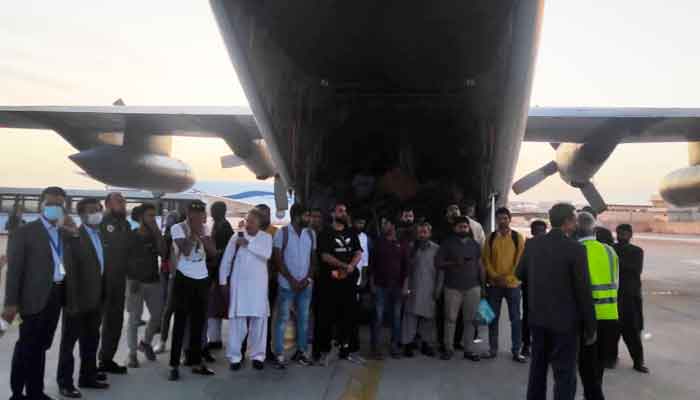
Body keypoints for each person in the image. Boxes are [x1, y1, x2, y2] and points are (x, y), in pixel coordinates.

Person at [517, 203, 596, 400]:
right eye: (575, 218)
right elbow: (583, 290)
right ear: (568, 222)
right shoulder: (576, 249)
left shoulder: (533, 244)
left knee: (537, 369)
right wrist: (591, 326)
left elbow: (519, 273)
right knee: (564, 373)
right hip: (566, 324)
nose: (577, 222)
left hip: (538, 319)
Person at [3, 186, 74, 400]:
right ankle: (17, 393)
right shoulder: (24, 232)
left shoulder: (64, 233)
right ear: (41, 205)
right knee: (26, 346)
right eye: (50, 203)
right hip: (31, 298)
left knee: (42, 346)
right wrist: (10, 303)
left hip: (56, 295)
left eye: (59, 204)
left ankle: (35, 391)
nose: (55, 208)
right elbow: (14, 271)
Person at [57, 198, 110, 398]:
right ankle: (65, 382)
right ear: (81, 215)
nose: (96, 213)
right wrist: (72, 302)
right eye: (91, 211)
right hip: (77, 301)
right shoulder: (73, 237)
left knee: (91, 340)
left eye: (98, 210)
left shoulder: (101, 234)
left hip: (96, 300)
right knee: (69, 344)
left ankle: (87, 376)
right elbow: (70, 271)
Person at [168, 200, 216, 381]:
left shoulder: (206, 228)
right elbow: (186, 250)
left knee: (198, 323)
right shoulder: (178, 228)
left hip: (202, 279)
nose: (199, 217)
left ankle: (196, 362)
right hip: (183, 278)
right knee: (180, 322)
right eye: (195, 213)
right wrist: (195, 232)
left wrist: (204, 236)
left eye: (201, 213)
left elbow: (212, 252)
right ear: (188, 213)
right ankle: (174, 365)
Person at [219, 208, 273, 371]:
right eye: (247, 220)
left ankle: (258, 356)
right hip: (239, 286)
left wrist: (248, 245)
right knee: (237, 324)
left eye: (252, 221)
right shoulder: (237, 236)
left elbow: (266, 254)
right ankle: (235, 357)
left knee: (259, 322)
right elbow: (227, 259)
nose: (248, 224)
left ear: (260, 223)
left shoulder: (266, 237)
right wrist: (223, 281)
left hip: (258, 287)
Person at [576, 211, 620, 400]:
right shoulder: (610, 251)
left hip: (587, 317)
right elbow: (616, 283)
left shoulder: (576, 251)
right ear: (594, 229)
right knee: (599, 364)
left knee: (586, 366)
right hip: (610, 315)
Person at [314, 202, 362, 365]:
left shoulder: (351, 232)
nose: (343, 213)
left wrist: (351, 266)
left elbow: (358, 251)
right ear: (333, 214)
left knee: (349, 317)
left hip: (348, 283)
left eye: (345, 211)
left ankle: (347, 350)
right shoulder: (325, 233)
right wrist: (343, 266)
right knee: (327, 318)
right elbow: (325, 256)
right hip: (330, 284)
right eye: (340, 211)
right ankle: (325, 351)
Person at [271, 203, 316, 368]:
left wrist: (307, 279)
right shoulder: (282, 233)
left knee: (303, 320)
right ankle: (279, 354)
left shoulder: (311, 234)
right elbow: (278, 259)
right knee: (282, 319)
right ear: (297, 216)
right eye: (307, 215)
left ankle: (302, 352)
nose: (309, 219)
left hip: (305, 286)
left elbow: (313, 259)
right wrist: (291, 280)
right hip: (286, 285)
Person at [435, 216, 485, 361]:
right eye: (460, 226)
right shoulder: (447, 244)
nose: (463, 229)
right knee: (450, 319)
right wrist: (453, 263)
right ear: (454, 228)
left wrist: (483, 286)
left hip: (473, 287)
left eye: (465, 226)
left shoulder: (475, 245)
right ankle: (448, 348)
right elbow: (438, 263)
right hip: (452, 287)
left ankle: (468, 350)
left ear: (468, 228)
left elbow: (480, 265)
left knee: (470, 321)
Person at [483, 207, 526, 362]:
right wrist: (495, 276)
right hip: (494, 285)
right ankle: (492, 349)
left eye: (505, 218)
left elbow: (519, 261)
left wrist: (507, 278)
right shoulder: (491, 237)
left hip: (513, 285)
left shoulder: (517, 237)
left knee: (515, 319)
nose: (502, 221)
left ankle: (516, 351)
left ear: (510, 219)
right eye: (500, 218)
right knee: (491, 317)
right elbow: (486, 260)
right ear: (497, 220)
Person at [125, 203, 166, 368]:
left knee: (157, 316)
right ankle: (132, 354)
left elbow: (164, 253)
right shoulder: (131, 235)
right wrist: (131, 279)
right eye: (150, 215)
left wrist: (157, 232)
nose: (153, 219)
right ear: (141, 217)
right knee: (134, 319)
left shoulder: (154, 236)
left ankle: (145, 342)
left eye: (154, 216)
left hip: (153, 281)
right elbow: (125, 258)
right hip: (135, 282)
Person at [98, 192, 132, 375]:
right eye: (119, 201)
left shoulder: (125, 225)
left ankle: (106, 359)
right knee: (94, 324)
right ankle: (88, 366)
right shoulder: (100, 224)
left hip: (118, 281)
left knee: (115, 321)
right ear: (108, 204)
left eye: (123, 201)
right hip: (101, 281)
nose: (123, 204)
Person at [369, 218, 409, 359]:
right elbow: (371, 266)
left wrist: (405, 286)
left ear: (393, 225)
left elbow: (406, 267)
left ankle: (394, 346)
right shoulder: (378, 243)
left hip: (397, 287)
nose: (384, 226)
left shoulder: (402, 244)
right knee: (378, 317)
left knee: (396, 318)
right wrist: (372, 284)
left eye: (386, 223)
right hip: (380, 286)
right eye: (383, 224)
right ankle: (375, 347)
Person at [613, 224, 649, 373]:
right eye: (620, 233)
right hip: (615, 295)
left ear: (630, 234)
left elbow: (636, 270)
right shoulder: (610, 249)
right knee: (612, 331)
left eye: (625, 233)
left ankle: (638, 361)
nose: (622, 236)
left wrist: (617, 261)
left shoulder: (636, 251)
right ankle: (611, 358)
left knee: (633, 331)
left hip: (630, 297)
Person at [401, 220, 440, 358]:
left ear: (430, 233)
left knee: (428, 318)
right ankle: (408, 344)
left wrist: (438, 289)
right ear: (416, 234)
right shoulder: (411, 248)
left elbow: (440, 271)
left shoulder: (436, 249)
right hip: (413, 287)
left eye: (425, 232)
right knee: (409, 317)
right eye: (420, 232)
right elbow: (406, 270)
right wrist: (405, 287)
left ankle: (426, 344)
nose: (422, 234)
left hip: (430, 287)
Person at [206, 201, 234, 352]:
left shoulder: (222, 227)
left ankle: (215, 339)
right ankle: (215, 338)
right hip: (219, 272)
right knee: (215, 308)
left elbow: (222, 252)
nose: (211, 213)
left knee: (214, 307)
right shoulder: (221, 226)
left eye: (213, 210)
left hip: (218, 273)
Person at [521, 220, 548, 357]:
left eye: (540, 231)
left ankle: (528, 345)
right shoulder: (551, 246)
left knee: (530, 317)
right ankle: (531, 345)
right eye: (537, 231)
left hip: (532, 287)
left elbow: (521, 269)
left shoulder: (529, 244)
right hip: (539, 288)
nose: (539, 234)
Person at [155, 211, 180, 354]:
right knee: (166, 308)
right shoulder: (166, 236)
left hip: (174, 275)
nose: (170, 223)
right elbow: (162, 254)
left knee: (169, 309)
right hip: (165, 273)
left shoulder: (180, 236)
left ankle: (164, 342)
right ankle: (163, 341)